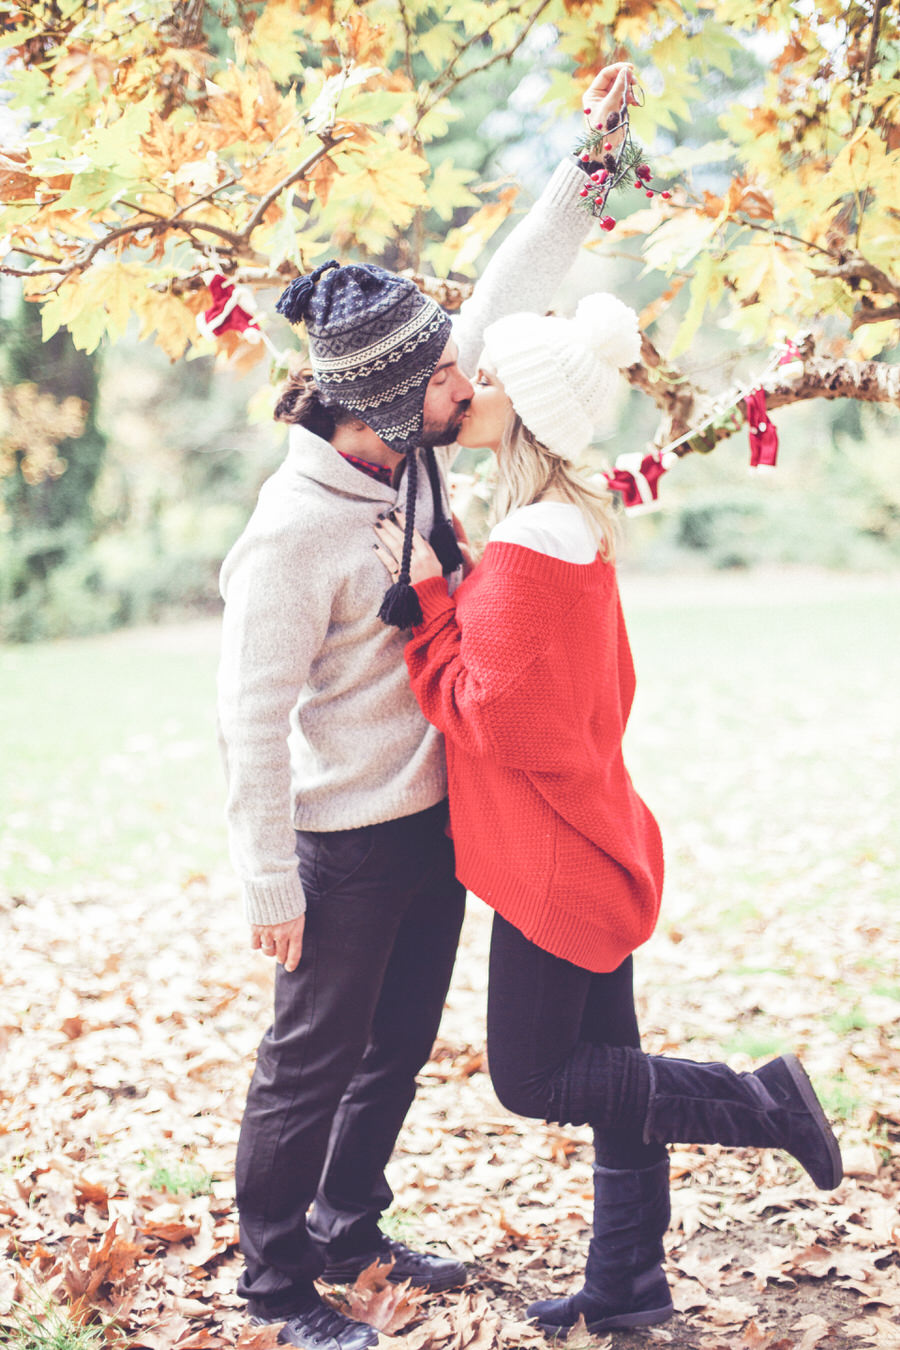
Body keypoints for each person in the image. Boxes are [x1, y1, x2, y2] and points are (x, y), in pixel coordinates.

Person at [216, 63, 641, 1350]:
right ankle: (279, 1285)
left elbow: (506, 286)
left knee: (396, 1050)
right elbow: (248, 714)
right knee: (309, 1066)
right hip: (340, 846)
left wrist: (591, 160)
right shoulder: (294, 532)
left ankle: (352, 1226)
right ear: (388, 415)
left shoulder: (407, 421)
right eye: (450, 389)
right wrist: (268, 879)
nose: (472, 391)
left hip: (434, 824)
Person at [372, 293, 844, 1338]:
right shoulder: (564, 523)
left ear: (530, 412)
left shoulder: (536, 539)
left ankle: (764, 1104)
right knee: (617, 1083)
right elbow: (567, 690)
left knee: (533, 1077)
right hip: (585, 835)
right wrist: (458, 586)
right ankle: (629, 1285)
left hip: (555, 860)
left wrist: (429, 617)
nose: (473, 389)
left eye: (489, 380)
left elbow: (497, 717)